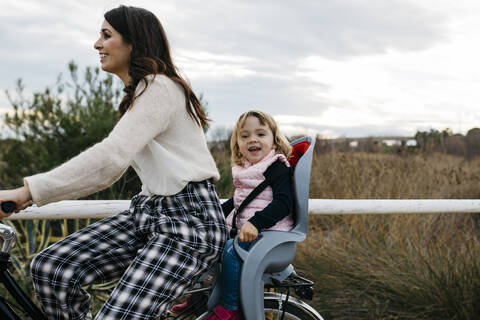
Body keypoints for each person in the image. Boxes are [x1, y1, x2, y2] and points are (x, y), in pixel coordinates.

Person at [0, 5, 227, 320]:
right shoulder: (140, 94)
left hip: (188, 224)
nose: (97, 44)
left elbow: (110, 159)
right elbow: (107, 166)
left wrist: (26, 192)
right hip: (148, 212)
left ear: (133, 42)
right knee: (53, 269)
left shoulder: (160, 87)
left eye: (106, 35)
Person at [204, 110, 294, 320]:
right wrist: (212, 215)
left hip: (271, 234)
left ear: (273, 141)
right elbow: (238, 202)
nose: (252, 139)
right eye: (245, 136)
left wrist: (255, 223)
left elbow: (284, 203)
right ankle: (201, 298)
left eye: (260, 134)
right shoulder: (247, 169)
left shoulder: (276, 167)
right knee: (208, 244)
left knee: (230, 250)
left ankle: (230, 307)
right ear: (238, 144)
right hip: (254, 234)